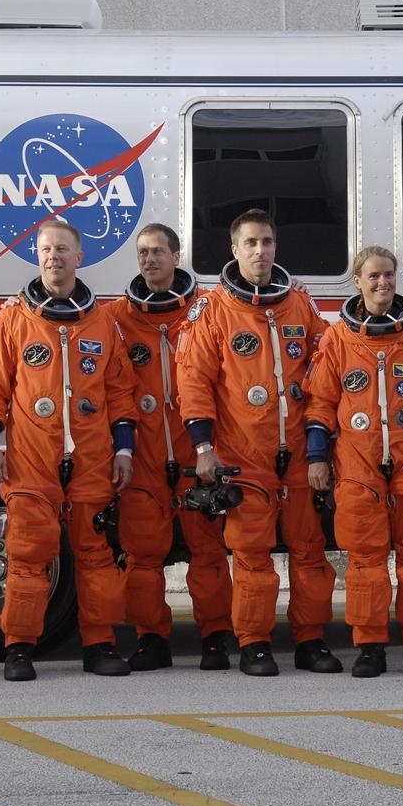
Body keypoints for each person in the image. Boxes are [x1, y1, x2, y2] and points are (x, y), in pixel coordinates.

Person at [176, 208, 341, 676]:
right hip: (242, 453)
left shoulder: (299, 305)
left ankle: (310, 639)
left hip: (297, 452)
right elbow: (193, 383)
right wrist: (204, 448)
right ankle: (254, 643)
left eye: (266, 242)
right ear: (234, 250)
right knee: (251, 554)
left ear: (275, 246)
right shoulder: (212, 310)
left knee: (310, 551)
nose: (259, 251)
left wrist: (319, 442)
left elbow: (325, 367)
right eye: (250, 243)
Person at [0, 220, 139, 681]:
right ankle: (19, 648)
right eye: (45, 249)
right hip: (29, 458)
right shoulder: (14, 320)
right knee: (27, 553)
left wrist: (123, 452)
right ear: (36, 256)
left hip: (91, 459)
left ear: (79, 257)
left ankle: (101, 643)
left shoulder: (103, 322)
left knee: (94, 555)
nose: (53, 257)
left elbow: (121, 394)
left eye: (63, 249)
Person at [304, 246, 403, 677]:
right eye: (373, 276)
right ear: (357, 282)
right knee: (365, 562)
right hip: (358, 466)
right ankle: (370, 645)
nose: (383, 283)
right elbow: (320, 404)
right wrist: (317, 459)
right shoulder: (338, 337)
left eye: (389, 275)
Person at [105, 223, 235, 671]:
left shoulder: (207, 309)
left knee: (208, 549)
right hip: (143, 452)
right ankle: (150, 638)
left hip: (194, 449)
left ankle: (216, 635)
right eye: (143, 253)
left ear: (176, 256)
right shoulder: (117, 316)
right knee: (142, 554)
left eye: (159, 252)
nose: (150, 260)